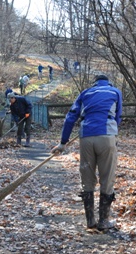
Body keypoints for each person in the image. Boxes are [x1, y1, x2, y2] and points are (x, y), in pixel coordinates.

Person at [51, 74, 122, 230]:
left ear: (94, 84)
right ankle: (103, 221)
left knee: (87, 178)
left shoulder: (85, 93)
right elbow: (117, 117)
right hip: (106, 137)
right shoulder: (115, 92)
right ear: (108, 83)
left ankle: (90, 220)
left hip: (86, 137)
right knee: (107, 177)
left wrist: (63, 143)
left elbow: (70, 117)